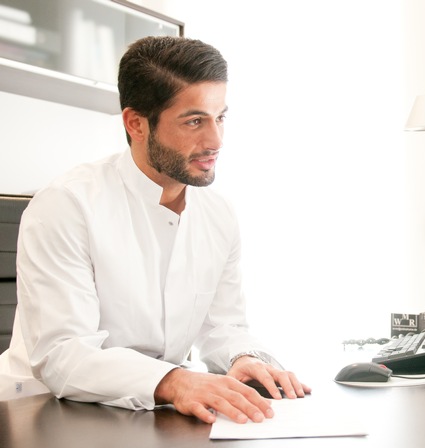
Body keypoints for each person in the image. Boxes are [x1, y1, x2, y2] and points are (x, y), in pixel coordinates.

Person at [0, 36, 310, 424]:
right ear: (136, 123)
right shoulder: (65, 205)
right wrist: (176, 382)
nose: (216, 140)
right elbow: (65, 355)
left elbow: (223, 325)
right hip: (38, 416)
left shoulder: (219, 214)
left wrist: (242, 357)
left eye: (221, 117)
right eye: (194, 121)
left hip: (149, 415)